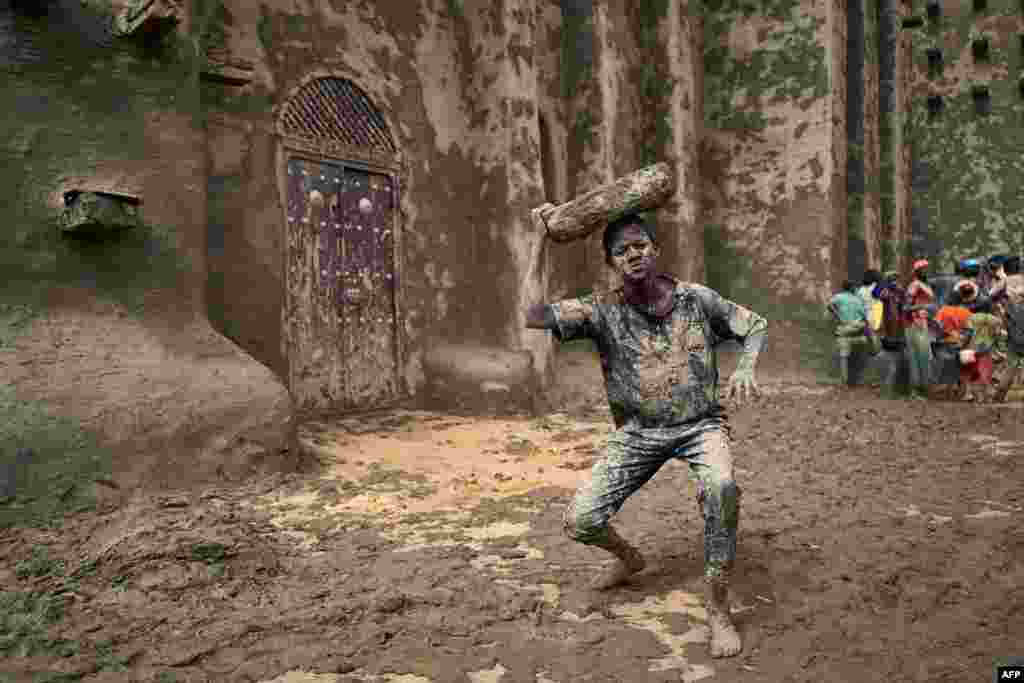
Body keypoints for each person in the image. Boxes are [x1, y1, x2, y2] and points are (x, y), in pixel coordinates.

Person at [524, 210, 767, 659]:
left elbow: (754, 325)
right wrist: (540, 241)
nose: (633, 254)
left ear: (655, 250)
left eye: (640, 245)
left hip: (700, 425)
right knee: (581, 520)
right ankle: (630, 559)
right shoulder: (601, 309)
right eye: (622, 250)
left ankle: (717, 607)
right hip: (638, 433)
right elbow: (533, 314)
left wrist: (747, 367)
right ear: (611, 263)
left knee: (722, 487)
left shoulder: (696, 300)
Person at [993, 255, 1024, 403]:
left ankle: (1000, 394)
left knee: (1012, 360)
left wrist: (1002, 303)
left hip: (1014, 321)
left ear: (1006, 268)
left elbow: (990, 295)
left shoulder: (1004, 281)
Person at [873, 271, 908, 398]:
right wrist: (884, 282)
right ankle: (888, 387)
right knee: (889, 358)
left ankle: (895, 387)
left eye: (896, 280)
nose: (895, 282)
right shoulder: (885, 292)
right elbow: (876, 294)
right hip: (889, 330)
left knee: (898, 358)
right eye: (892, 280)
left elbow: (905, 304)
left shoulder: (900, 292)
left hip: (898, 329)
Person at [934, 288, 974, 399]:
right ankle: (963, 393)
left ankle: (948, 393)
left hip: (944, 344)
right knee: (962, 369)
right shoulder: (966, 312)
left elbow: (936, 326)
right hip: (960, 344)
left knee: (947, 368)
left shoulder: (943, 310)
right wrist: (964, 342)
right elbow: (970, 330)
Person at [905, 259, 936, 399]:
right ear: (917, 272)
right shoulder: (914, 285)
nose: (926, 271)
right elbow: (906, 307)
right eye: (923, 269)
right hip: (914, 324)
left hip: (923, 323)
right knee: (917, 358)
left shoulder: (925, 285)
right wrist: (922, 308)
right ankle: (915, 391)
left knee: (924, 357)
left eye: (927, 268)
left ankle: (923, 389)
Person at [828, 280, 869, 385]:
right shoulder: (857, 299)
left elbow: (830, 305)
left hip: (844, 331)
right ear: (852, 288)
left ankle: (844, 381)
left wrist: (837, 315)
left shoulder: (839, 297)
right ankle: (860, 379)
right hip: (857, 332)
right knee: (861, 353)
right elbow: (864, 317)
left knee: (843, 357)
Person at [961, 298, 1000, 402]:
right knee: (985, 372)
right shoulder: (995, 320)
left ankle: (969, 394)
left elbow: (968, 333)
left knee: (969, 371)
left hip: (972, 348)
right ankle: (987, 395)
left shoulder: (971, 318)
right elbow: (997, 335)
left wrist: (962, 345)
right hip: (987, 349)